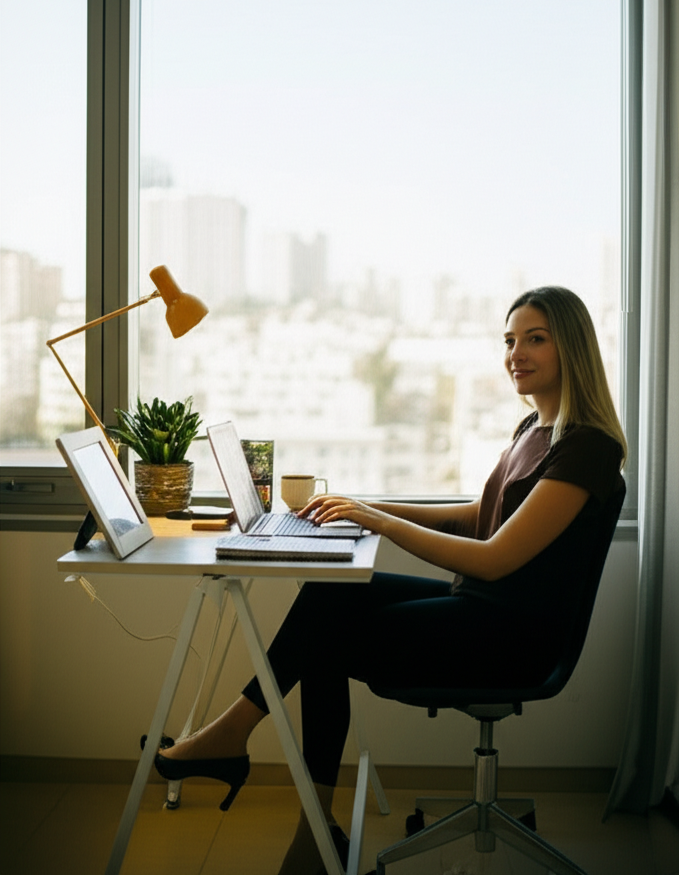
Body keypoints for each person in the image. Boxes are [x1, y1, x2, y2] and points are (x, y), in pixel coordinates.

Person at [151, 285, 626, 875]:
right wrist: (372, 506)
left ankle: (274, 787)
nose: (515, 353)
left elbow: (495, 557)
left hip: (513, 637)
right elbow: (474, 520)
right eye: (509, 340)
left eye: (535, 339)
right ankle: (288, 798)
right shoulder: (533, 429)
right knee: (328, 593)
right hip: (478, 606)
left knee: (323, 634)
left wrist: (378, 522)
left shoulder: (588, 450)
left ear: (572, 348)